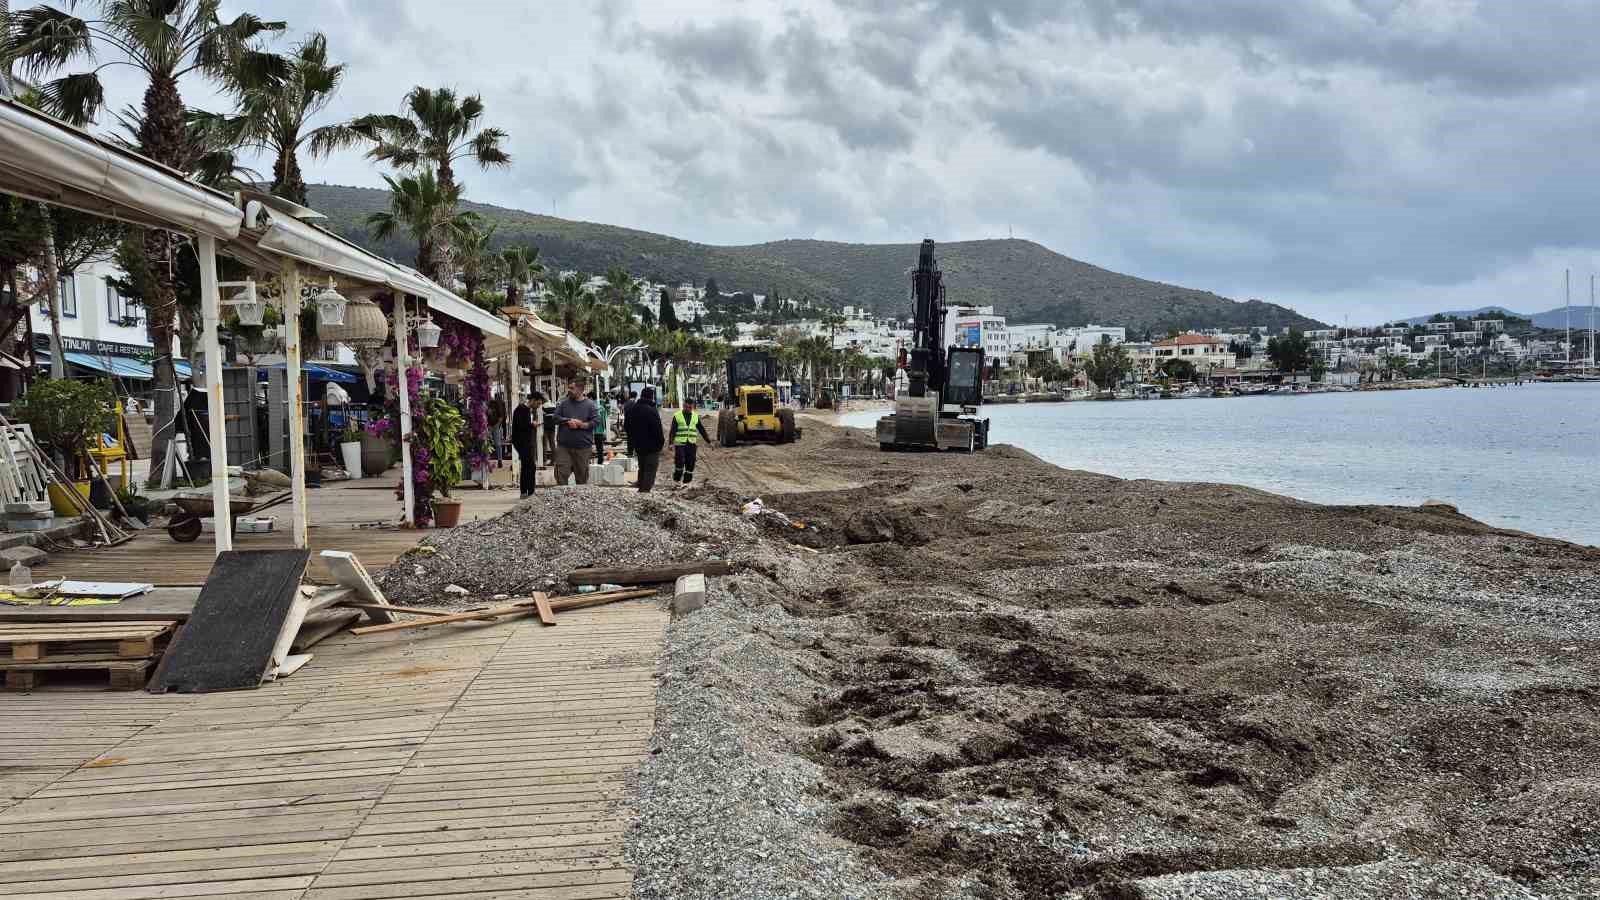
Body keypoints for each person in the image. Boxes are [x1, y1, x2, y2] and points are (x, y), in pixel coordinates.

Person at [553, 379, 600, 485]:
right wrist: (567, 421)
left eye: (572, 388)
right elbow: (555, 418)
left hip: (583, 448)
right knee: (561, 473)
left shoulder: (590, 405)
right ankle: (562, 498)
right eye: (569, 388)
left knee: (582, 477)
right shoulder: (563, 403)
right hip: (564, 447)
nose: (569, 390)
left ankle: (579, 499)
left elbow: (596, 421)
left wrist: (581, 425)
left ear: (580, 389)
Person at [624, 386, 665, 492]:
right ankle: (645, 492)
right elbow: (657, 429)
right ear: (652, 397)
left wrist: (633, 440)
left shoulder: (632, 409)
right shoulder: (651, 410)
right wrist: (660, 444)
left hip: (638, 445)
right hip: (652, 446)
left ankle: (640, 486)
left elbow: (627, 427)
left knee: (642, 466)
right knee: (650, 469)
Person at [671, 397, 714, 486]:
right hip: (680, 443)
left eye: (690, 407)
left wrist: (709, 442)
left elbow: (701, 430)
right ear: (683, 406)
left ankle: (687, 483)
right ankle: (676, 480)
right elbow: (673, 430)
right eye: (686, 407)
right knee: (680, 461)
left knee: (690, 463)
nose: (688, 409)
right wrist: (671, 443)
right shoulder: (677, 416)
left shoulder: (695, 416)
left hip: (691, 444)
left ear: (693, 407)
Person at [510, 393, 537, 498]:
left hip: (524, 442)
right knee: (529, 467)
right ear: (533, 400)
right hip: (522, 442)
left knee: (528, 466)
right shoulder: (522, 409)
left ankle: (527, 491)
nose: (538, 406)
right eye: (538, 403)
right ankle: (527, 492)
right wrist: (532, 425)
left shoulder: (525, 410)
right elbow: (521, 425)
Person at [594, 393, 611, 466]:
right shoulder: (602, 408)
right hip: (599, 431)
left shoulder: (590, 406)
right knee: (599, 447)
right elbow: (605, 417)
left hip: (591, 431)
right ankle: (600, 460)